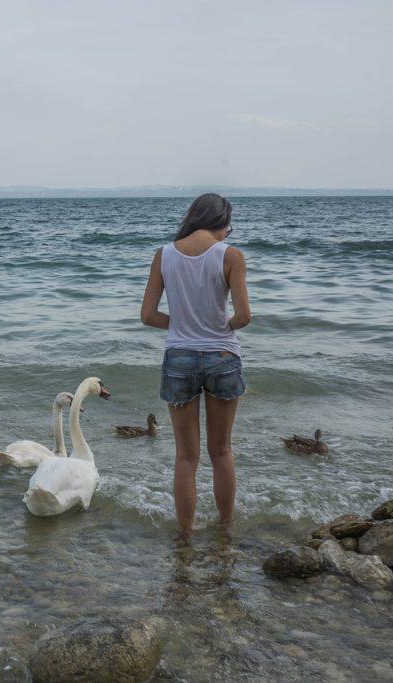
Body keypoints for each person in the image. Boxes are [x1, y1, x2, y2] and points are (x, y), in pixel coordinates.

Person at [140, 193, 251, 534]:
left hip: (180, 359)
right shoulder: (230, 256)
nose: (227, 234)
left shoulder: (165, 254)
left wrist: (180, 325)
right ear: (221, 222)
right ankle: (225, 528)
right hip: (222, 357)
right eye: (227, 227)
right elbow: (244, 317)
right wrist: (222, 326)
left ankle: (185, 534)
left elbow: (147, 316)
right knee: (221, 452)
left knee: (186, 457)